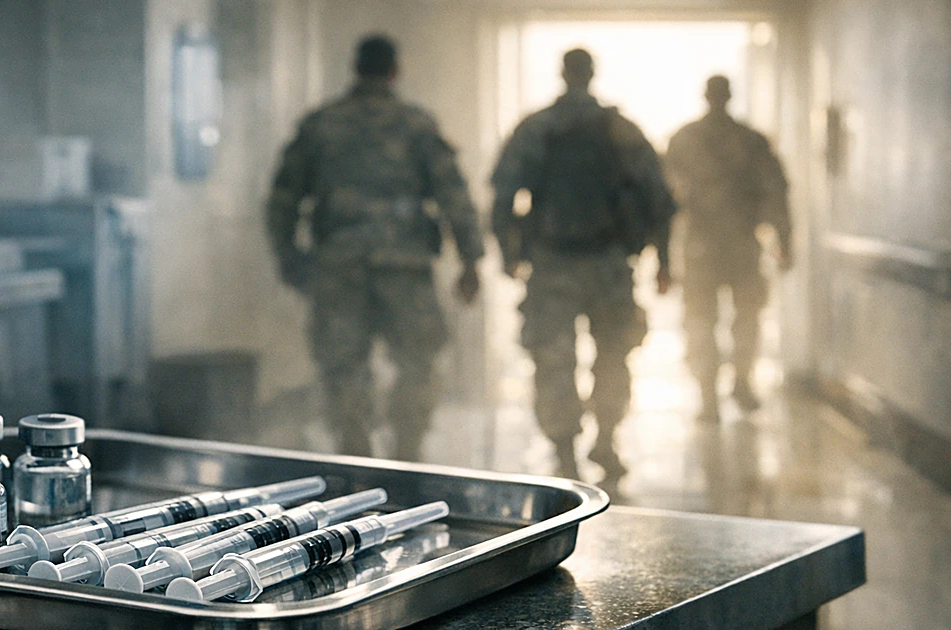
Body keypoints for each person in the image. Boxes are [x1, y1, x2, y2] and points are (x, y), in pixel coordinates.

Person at [266, 34, 484, 461]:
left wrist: (288, 256)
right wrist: (471, 259)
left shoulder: (321, 124)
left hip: (338, 266)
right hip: (405, 268)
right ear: (394, 71)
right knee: (417, 362)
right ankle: (408, 452)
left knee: (344, 364)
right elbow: (453, 194)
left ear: (356, 68)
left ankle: (355, 455)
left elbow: (283, 198)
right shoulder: (417, 124)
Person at [491, 48, 675, 482]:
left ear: (562, 75)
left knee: (553, 357)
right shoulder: (621, 129)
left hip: (552, 262)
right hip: (609, 262)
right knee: (613, 353)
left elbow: (503, 196)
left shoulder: (537, 128)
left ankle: (564, 450)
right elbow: (660, 200)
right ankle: (606, 440)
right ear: (592, 75)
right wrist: (663, 259)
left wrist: (510, 254)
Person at [665, 75, 792, 422]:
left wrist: (662, 249)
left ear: (706, 96)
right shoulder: (749, 141)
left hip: (704, 248)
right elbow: (776, 193)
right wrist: (784, 241)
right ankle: (736, 383)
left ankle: (712, 393)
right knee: (741, 319)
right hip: (737, 246)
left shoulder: (685, 140)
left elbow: (663, 197)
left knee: (704, 320)